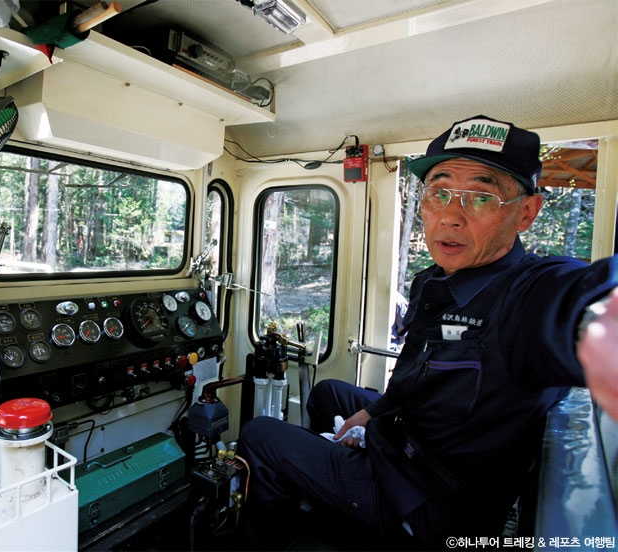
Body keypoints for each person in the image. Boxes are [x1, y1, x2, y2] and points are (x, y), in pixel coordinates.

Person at [237, 115, 618, 550]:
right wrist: (375, 415)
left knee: (260, 435)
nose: (451, 216)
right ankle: (334, 512)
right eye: (439, 192)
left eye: (481, 196)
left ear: (526, 212)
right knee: (329, 394)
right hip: (405, 446)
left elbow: (590, 300)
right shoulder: (433, 282)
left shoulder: (532, 294)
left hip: (432, 505)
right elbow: (414, 373)